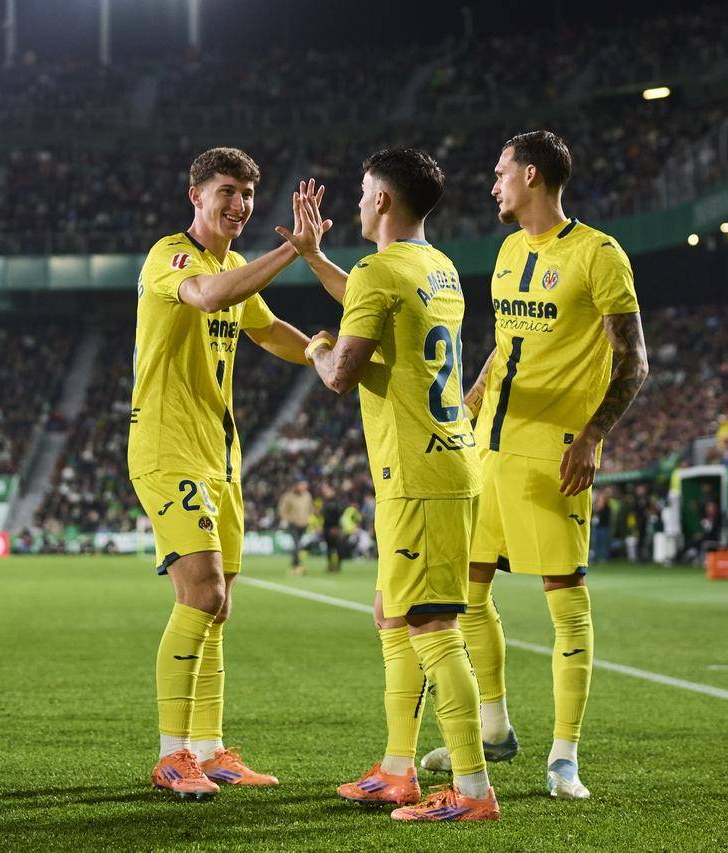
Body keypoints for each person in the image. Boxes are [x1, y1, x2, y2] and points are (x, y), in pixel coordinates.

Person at [421, 130, 647, 800]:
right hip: (488, 447)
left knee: (566, 604)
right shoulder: (508, 250)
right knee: (467, 591)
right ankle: (493, 728)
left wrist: (593, 434)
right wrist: (468, 403)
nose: (493, 185)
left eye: (500, 173)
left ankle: (564, 758)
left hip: (555, 452)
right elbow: (505, 345)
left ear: (530, 175)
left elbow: (634, 360)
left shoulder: (598, 254)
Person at [283, 148, 498, 821]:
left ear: (381, 199)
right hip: (443, 462)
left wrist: (315, 346)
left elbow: (340, 374)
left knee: (432, 625)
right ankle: (398, 769)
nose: (356, 200)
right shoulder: (438, 268)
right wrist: (314, 257)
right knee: (393, 614)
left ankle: (472, 791)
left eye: (361, 190)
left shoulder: (381, 272)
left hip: (418, 473)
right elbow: (372, 299)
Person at [134, 147, 321, 800]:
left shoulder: (235, 266)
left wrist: (324, 352)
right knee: (202, 593)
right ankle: (171, 755)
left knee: (219, 606)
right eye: (227, 191)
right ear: (196, 195)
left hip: (221, 455)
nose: (239, 204)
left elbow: (267, 331)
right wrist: (295, 249)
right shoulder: (172, 256)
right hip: (168, 449)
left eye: (247, 193)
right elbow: (209, 297)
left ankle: (210, 751)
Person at [277, 478, 313, 575]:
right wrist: (288, 519)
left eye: (304, 485)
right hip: (293, 524)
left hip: (304, 524)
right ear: (296, 485)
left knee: (298, 545)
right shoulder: (288, 496)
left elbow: (310, 508)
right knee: (297, 545)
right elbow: (282, 510)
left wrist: (309, 518)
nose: (304, 487)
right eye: (302, 485)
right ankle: (297, 565)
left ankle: (294, 564)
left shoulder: (307, 496)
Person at [319, 482, 346, 573]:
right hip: (327, 527)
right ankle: (331, 565)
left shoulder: (336, 502)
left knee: (338, 547)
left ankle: (338, 565)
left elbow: (340, 512)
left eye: (327, 490)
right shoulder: (326, 501)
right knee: (329, 548)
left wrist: (336, 527)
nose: (325, 492)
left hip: (334, 527)